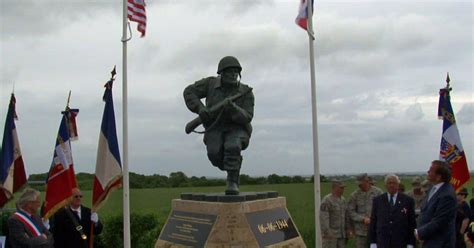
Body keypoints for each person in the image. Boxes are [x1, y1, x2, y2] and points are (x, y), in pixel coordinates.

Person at [183, 56, 254, 195]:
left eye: (235, 71)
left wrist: (233, 109)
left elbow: (248, 116)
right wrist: (200, 108)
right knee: (214, 154)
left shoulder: (246, 92)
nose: (233, 74)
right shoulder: (210, 84)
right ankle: (233, 165)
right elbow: (189, 92)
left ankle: (232, 181)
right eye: (229, 71)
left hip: (237, 128)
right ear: (221, 73)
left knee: (232, 146)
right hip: (214, 127)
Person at [415, 160, 457, 247]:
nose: (428, 172)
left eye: (431, 170)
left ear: (438, 176)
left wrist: (420, 232)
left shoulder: (447, 195)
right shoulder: (432, 188)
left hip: (440, 243)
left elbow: (440, 221)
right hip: (429, 241)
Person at [368, 174, 416, 248]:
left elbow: (412, 223)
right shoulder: (377, 201)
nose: (391, 185)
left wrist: (411, 243)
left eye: (394, 183)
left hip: (401, 242)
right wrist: (373, 242)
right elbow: (373, 222)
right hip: (382, 242)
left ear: (398, 185)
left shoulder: (408, 201)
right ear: (385, 185)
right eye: (389, 183)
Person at [347, 173, 383, 248]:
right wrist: (362, 219)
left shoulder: (378, 193)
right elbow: (351, 211)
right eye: (358, 184)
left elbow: (384, 209)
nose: (359, 186)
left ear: (367, 182)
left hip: (376, 231)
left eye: (361, 184)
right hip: (361, 232)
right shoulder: (354, 195)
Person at [320, 180, 349, 248]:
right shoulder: (327, 200)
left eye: (343, 188)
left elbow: (346, 216)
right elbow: (324, 218)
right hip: (331, 236)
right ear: (335, 188)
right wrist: (328, 233)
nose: (343, 190)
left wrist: (347, 229)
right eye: (341, 188)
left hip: (341, 235)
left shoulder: (343, 200)